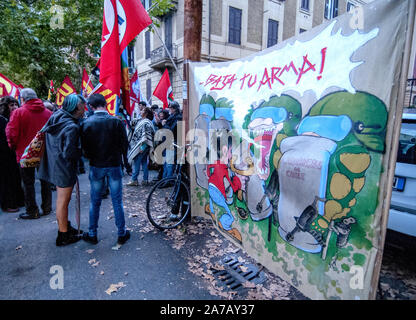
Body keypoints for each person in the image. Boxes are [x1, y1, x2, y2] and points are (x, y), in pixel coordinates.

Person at [80, 94, 130, 245]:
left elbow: (84, 149)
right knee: (117, 201)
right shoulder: (116, 121)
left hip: (97, 166)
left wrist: (91, 158)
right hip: (114, 165)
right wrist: (125, 163)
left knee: (95, 201)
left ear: (91, 106)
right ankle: (121, 233)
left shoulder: (86, 123)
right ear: (105, 104)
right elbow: (124, 145)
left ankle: (92, 233)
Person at [38, 94, 86, 246]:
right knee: (63, 201)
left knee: (61, 200)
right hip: (64, 167)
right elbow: (69, 153)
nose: (85, 108)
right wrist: (82, 152)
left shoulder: (57, 115)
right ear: (77, 108)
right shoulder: (71, 127)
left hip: (54, 163)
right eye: (83, 106)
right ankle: (63, 235)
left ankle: (64, 226)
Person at [6, 88, 52, 219]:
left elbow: (12, 133)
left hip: (25, 153)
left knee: (28, 182)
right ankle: (47, 207)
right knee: (45, 180)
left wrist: (13, 146)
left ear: (22, 99)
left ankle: (32, 210)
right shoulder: (48, 112)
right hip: (44, 151)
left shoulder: (18, 113)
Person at [0, 96, 25, 212]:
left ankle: (18, 200)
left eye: (16, 104)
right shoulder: (2, 119)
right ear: (5, 107)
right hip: (4, 154)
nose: (14, 107)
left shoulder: (15, 117)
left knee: (16, 177)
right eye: (11, 105)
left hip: (13, 152)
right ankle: (8, 204)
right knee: (7, 179)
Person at [126, 107, 155, 187]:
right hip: (143, 146)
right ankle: (145, 180)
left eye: (142, 110)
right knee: (144, 162)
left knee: (137, 163)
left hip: (142, 146)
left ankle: (134, 180)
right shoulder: (144, 121)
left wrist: (142, 147)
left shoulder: (146, 122)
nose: (140, 111)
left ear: (146, 113)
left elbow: (146, 136)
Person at [162, 101, 182, 179]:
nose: (169, 109)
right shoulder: (172, 116)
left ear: (174, 109)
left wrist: (165, 124)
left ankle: (168, 180)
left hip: (173, 143)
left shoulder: (178, 118)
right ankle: (164, 179)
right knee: (166, 163)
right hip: (168, 142)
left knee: (169, 163)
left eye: (170, 107)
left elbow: (172, 131)